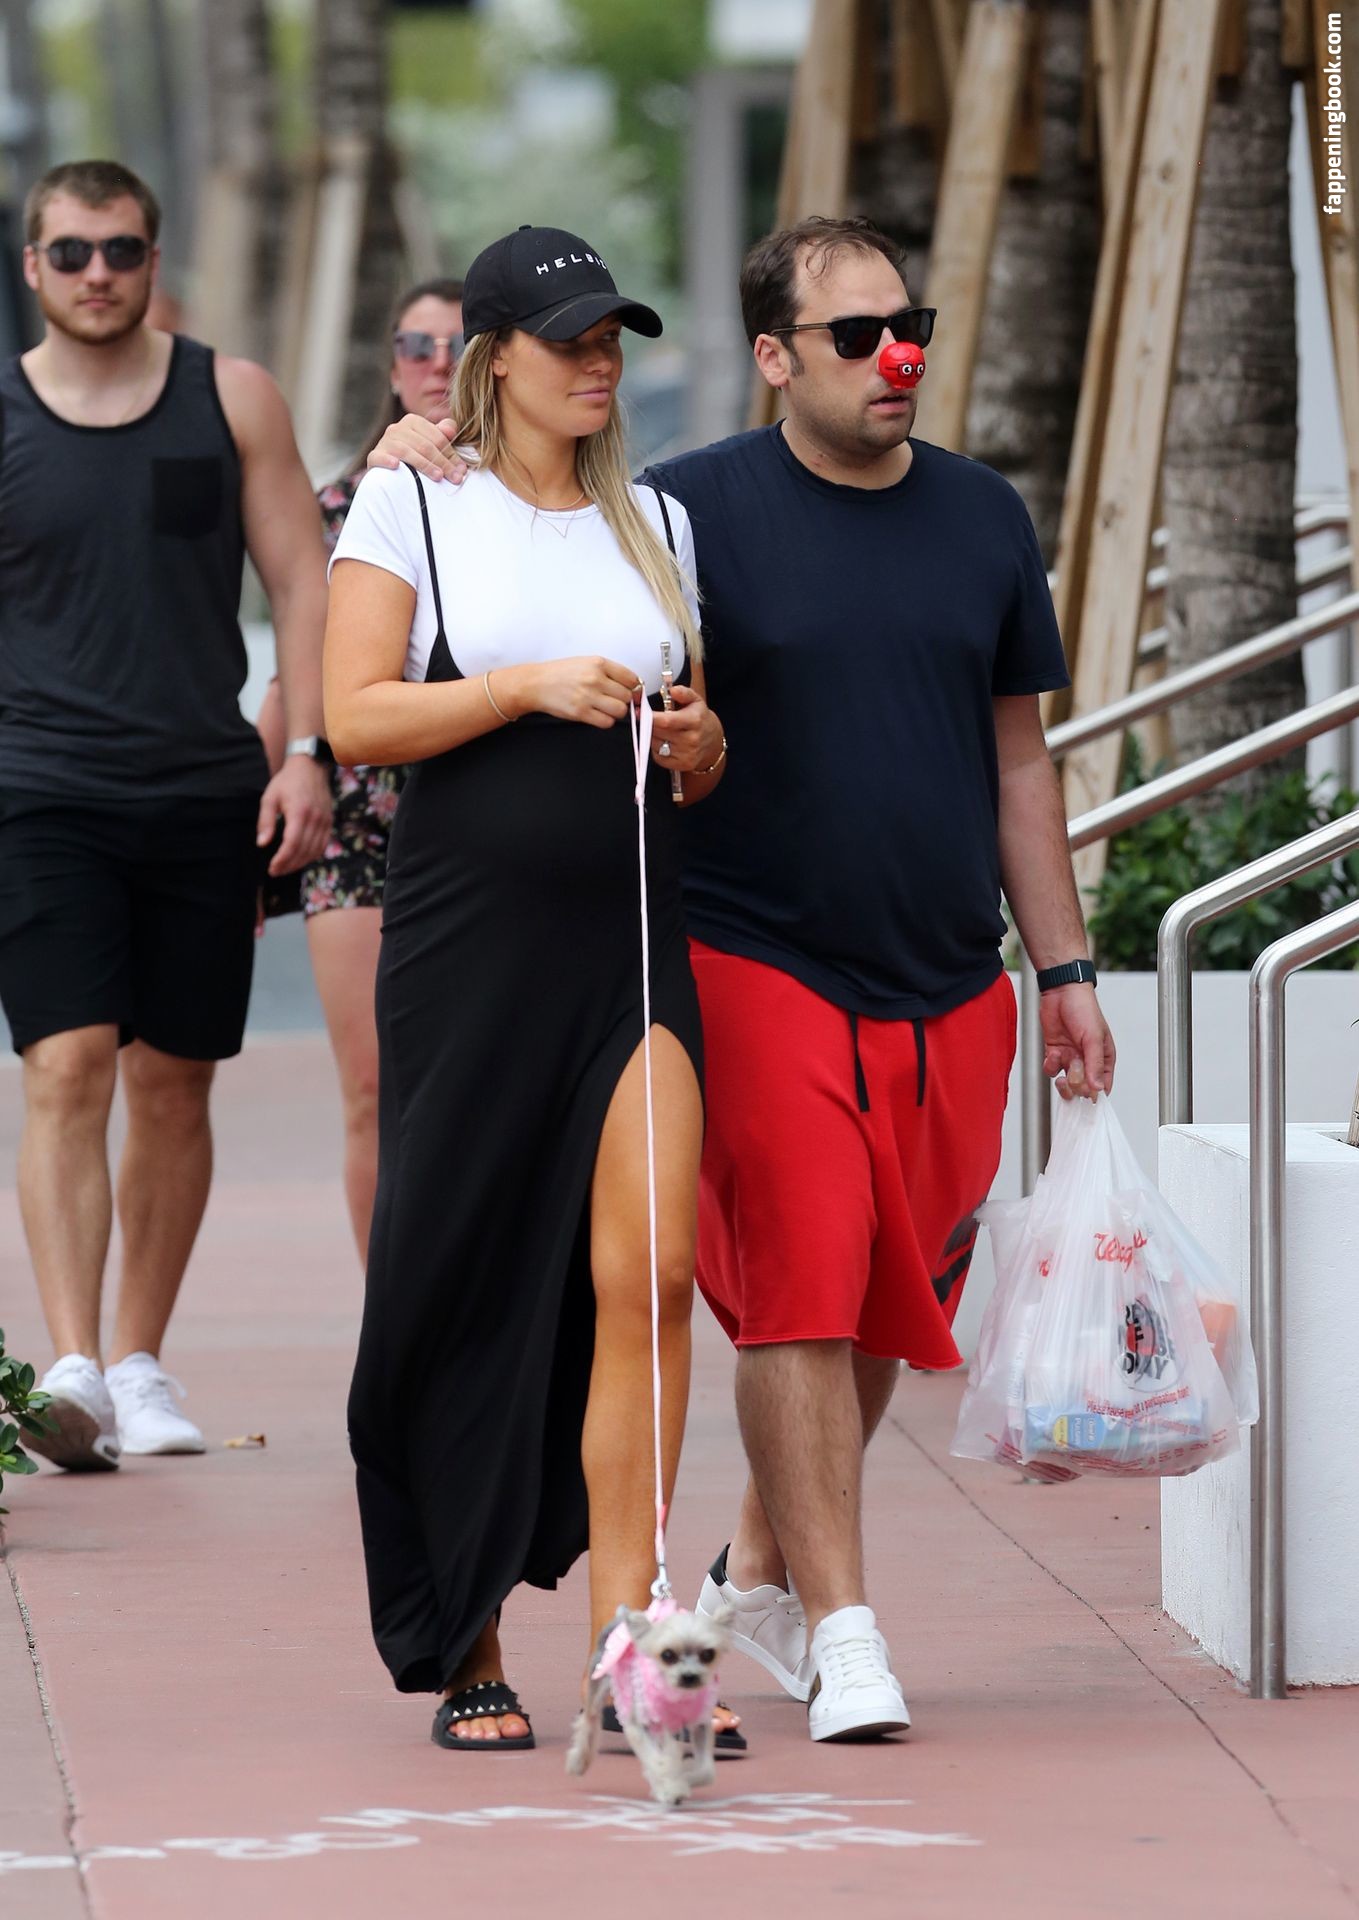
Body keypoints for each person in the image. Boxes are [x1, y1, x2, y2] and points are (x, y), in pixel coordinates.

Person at [371, 214, 1116, 1743]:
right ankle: (820, 1633)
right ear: (774, 357)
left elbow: (1012, 762)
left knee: (846, 1301)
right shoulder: (662, 503)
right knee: (761, 1291)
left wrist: (1062, 965)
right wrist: (417, 446)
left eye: (907, 326)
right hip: (708, 955)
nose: (893, 355)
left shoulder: (959, 516)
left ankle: (733, 1591)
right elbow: (468, 584)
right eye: (855, 334)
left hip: (902, 970)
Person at [326, 226, 731, 1750]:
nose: (597, 362)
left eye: (612, 337)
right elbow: (357, 717)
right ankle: (469, 1632)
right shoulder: (413, 501)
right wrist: (517, 688)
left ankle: (636, 1640)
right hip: (469, 952)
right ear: (493, 359)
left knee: (656, 1272)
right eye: (568, 340)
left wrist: (702, 747)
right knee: (471, 1278)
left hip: (632, 937)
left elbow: (700, 740)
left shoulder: (658, 520)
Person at [0, 160, 331, 1470]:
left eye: (121, 251)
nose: (98, 275)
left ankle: (138, 1361)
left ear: (152, 258)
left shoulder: (229, 395)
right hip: (38, 790)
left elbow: (302, 579)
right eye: (72, 253)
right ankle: (71, 1365)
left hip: (202, 787)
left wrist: (303, 752)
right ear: (33, 265)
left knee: (175, 1082)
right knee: (67, 1062)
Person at [257, 277, 465, 1258]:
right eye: (418, 345)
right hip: (359, 817)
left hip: (479, 813)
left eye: (459, 344)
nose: (438, 364)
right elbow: (293, 675)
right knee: (374, 1085)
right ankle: (394, 1313)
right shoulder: (340, 505)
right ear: (392, 365)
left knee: (473, 1080)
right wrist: (259, 797)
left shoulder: (525, 497)